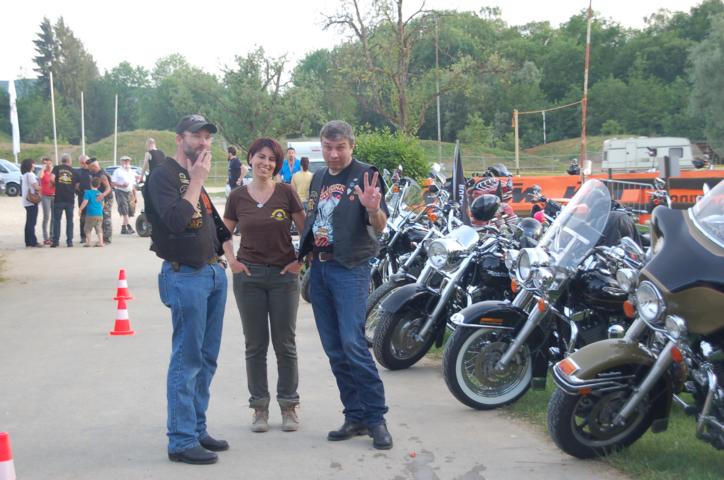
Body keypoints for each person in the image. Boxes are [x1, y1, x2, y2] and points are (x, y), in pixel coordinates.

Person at [297, 120, 393, 450]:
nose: (334, 154)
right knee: (334, 348)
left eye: (340, 147)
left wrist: (373, 209)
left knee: (353, 344)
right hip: (319, 270)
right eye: (328, 147)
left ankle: (376, 418)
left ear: (352, 146)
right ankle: (355, 416)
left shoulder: (366, 175)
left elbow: (379, 225)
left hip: (350, 268)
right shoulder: (319, 177)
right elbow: (314, 219)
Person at [145, 114, 232, 465]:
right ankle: (181, 440)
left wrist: (227, 260)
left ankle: (196, 428)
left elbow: (211, 223)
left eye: (208, 137)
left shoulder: (192, 175)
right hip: (185, 276)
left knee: (207, 358)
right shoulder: (163, 176)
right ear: (180, 138)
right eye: (197, 136)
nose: (204, 143)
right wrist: (196, 180)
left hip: (211, 274)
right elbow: (176, 221)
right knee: (187, 359)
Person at [222, 137, 305, 434]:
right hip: (250, 277)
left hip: (284, 277)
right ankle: (259, 407)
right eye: (260, 157)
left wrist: (300, 261)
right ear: (250, 159)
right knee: (255, 345)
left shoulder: (286, 193)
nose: (265, 163)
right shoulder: (237, 196)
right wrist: (232, 261)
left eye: (271, 159)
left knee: (285, 344)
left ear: (277, 164)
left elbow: (307, 230)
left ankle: (288, 405)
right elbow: (224, 232)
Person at [50, 153, 79, 247]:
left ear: (61, 160)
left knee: (56, 220)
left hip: (59, 198)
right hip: (70, 198)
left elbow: (51, 179)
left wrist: (56, 184)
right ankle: (69, 242)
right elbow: (77, 186)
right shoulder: (74, 171)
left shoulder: (56, 168)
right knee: (69, 221)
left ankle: (55, 241)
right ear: (69, 161)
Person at [86, 157, 114, 244]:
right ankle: (102, 239)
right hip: (100, 199)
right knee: (100, 218)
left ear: (94, 166)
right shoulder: (95, 174)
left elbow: (108, 188)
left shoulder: (102, 175)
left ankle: (107, 239)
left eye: (90, 167)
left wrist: (102, 195)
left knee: (106, 217)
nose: (89, 169)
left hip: (107, 198)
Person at [111, 155, 137, 234]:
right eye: (124, 160)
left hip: (129, 192)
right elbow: (113, 183)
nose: (126, 162)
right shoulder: (117, 171)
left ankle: (123, 228)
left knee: (130, 210)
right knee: (124, 208)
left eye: (128, 161)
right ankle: (129, 226)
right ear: (121, 162)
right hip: (120, 191)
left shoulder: (131, 171)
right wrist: (121, 185)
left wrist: (135, 196)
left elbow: (133, 185)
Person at [20, 158, 41, 248]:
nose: (34, 165)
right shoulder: (30, 175)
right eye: (33, 164)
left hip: (26, 200)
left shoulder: (25, 175)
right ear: (29, 165)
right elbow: (36, 187)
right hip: (31, 201)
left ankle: (28, 241)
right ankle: (33, 241)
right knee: (32, 222)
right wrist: (43, 187)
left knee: (29, 221)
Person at [78, 176, 105, 247]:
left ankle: (89, 242)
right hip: (99, 214)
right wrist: (100, 210)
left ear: (90, 184)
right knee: (99, 228)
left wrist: (80, 209)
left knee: (87, 228)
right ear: (99, 185)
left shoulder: (88, 192)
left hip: (91, 214)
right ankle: (101, 242)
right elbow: (103, 204)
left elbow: (85, 202)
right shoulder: (100, 193)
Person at [38, 156, 55, 245]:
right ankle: (45, 237)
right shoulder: (42, 172)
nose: (47, 165)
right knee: (46, 216)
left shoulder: (53, 171)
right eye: (45, 163)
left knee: (53, 217)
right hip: (45, 196)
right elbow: (40, 177)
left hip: (54, 195)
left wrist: (51, 169)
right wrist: (43, 168)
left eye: (49, 163)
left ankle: (52, 236)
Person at [76, 154, 92, 244]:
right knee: (83, 218)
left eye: (87, 162)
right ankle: (83, 236)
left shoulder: (92, 171)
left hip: (93, 198)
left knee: (95, 217)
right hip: (82, 197)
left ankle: (99, 236)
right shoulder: (78, 172)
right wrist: (80, 191)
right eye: (82, 162)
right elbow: (75, 185)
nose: (85, 164)